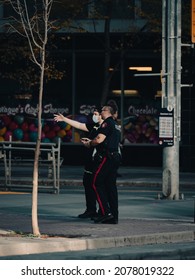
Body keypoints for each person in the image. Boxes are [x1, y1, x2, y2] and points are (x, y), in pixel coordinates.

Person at [54, 108, 103, 219]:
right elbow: (79, 125)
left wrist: (91, 142)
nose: (93, 116)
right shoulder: (94, 126)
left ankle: (102, 211)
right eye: (93, 113)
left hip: (98, 160)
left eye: (96, 114)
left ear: (102, 115)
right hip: (89, 160)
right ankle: (90, 210)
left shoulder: (105, 127)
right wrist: (65, 119)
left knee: (98, 186)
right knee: (87, 184)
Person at [82, 105, 121, 224]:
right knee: (111, 187)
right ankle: (114, 216)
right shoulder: (116, 125)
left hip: (107, 157)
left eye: (102, 110)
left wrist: (90, 144)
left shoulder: (107, 123)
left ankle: (105, 213)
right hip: (115, 157)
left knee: (96, 182)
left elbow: (99, 139)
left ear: (107, 112)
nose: (100, 112)